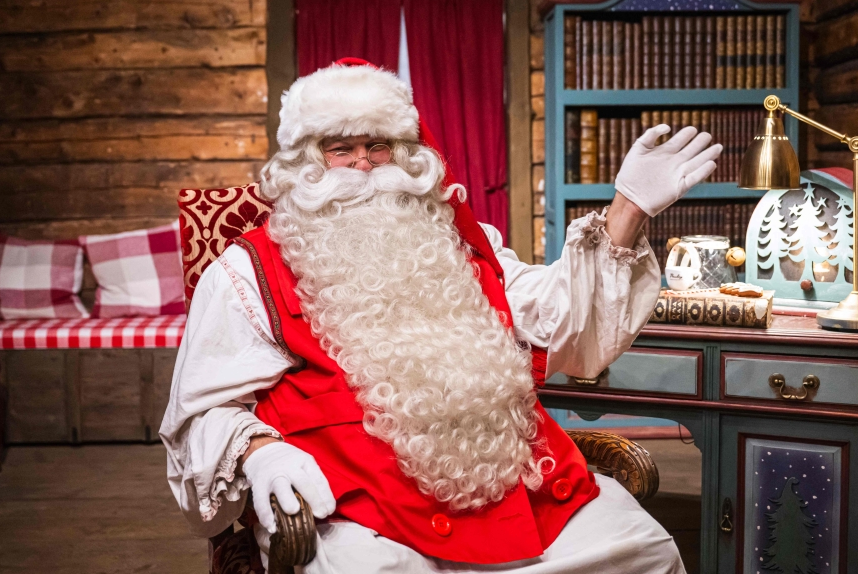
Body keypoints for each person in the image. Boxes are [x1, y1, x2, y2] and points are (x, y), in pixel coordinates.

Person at [161, 58, 721, 574]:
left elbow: (567, 327)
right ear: (307, 162)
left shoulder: (462, 247)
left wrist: (626, 210)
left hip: (512, 492)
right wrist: (260, 456)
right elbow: (202, 408)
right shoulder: (248, 271)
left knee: (643, 552)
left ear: (405, 153)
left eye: (378, 144)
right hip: (358, 508)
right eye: (340, 147)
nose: (362, 163)